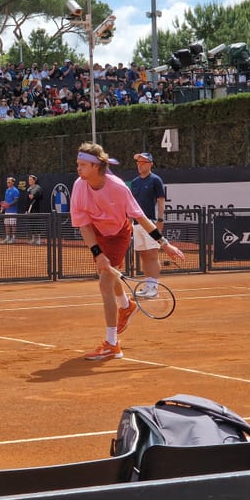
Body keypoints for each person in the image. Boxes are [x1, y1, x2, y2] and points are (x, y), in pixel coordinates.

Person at [71, 142, 184, 361]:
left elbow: (140, 217)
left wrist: (165, 244)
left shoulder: (118, 187)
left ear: (96, 167)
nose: (78, 168)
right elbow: (83, 224)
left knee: (104, 282)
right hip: (97, 231)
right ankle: (126, 305)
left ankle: (112, 344)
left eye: (83, 164)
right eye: (78, 164)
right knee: (108, 272)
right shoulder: (79, 185)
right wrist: (97, 253)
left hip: (119, 232)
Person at [130, 152, 167, 297]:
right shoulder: (135, 182)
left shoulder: (155, 180)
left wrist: (160, 220)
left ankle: (154, 288)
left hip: (150, 222)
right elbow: (131, 204)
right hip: (137, 224)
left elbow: (161, 201)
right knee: (144, 255)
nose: (140, 164)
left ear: (151, 164)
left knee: (152, 255)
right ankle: (148, 285)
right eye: (138, 162)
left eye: (143, 162)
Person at [0, 176, 19, 244]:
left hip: (13, 211)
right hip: (7, 211)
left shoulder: (15, 190)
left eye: (9, 182)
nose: (8, 183)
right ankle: (7, 238)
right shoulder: (7, 190)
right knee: (7, 225)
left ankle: (13, 238)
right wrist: (3, 206)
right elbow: (6, 200)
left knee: (13, 225)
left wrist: (9, 205)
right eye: (7, 182)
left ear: (13, 183)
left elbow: (16, 200)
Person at [26, 174, 43, 245]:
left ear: (34, 180)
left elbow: (41, 196)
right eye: (28, 180)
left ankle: (38, 239)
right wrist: (27, 209)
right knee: (32, 224)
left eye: (30, 179)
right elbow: (27, 200)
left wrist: (34, 196)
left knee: (37, 223)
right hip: (30, 209)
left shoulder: (38, 188)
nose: (29, 181)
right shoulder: (28, 189)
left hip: (36, 208)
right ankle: (33, 239)